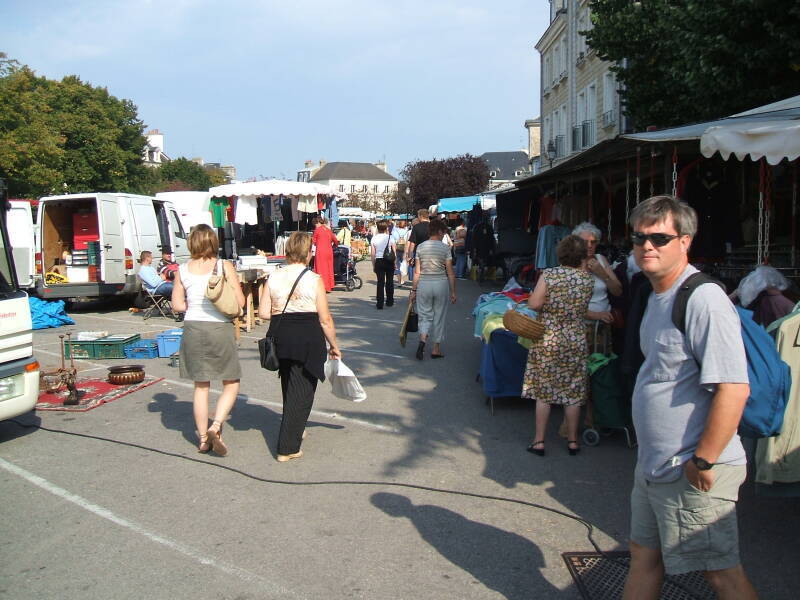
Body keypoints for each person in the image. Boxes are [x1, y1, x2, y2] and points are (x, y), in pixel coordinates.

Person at [622, 196, 757, 600]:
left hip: (691, 467)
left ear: (685, 241)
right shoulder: (653, 295)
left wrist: (704, 459)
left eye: (660, 237)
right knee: (643, 556)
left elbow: (734, 388)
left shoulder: (702, 299)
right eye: (639, 237)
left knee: (719, 573)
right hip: (655, 465)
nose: (647, 246)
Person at [258, 232, 341, 462]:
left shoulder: (274, 277)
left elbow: (264, 312)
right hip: (307, 337)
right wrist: (334, 345)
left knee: (289, 384)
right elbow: (325, 319)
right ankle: (288, 447)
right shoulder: (314, 279)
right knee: (303, 391)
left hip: (281, 335)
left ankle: (296, 427)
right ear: (308, 253)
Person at [171, 224, 245, 456]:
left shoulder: (182, 270)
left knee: (201, 387)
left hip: (193, 327)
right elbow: (240, 302)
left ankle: (203, 439)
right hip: (219, 327)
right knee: (231, 382)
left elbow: (177, 306)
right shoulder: (223, 266)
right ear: (214, 242)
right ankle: (216, 424)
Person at [522, 235, 594, 457]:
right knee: (572, 391)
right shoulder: (587, 280)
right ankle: (573, 441)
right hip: (575, 338)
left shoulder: (550, 275)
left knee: (544, 392)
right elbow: (582, 310)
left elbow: (534, 304)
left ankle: (539, 441)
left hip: (549, 338)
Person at [409, 219, 456, 360]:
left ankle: (422, 341)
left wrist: (414, 290)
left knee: (424, 315)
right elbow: (450, 272)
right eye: (444, 232)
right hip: (440, 284)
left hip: (424, 284)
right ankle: (436, 348)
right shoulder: (445, 248)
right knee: (439, 316)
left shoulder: (421, 247)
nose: (444, 235)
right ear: (440, 231)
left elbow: (417, 272)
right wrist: (453, 292)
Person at [370, 220, 396, 310]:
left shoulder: (374, 238)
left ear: (378, 228)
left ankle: (379, 303)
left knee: (380, 282)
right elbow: (394, 252)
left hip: (379, 260)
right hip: (389, 261)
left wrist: (373, 264)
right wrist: (395, 263)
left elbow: (373, 254)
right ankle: (389, 301)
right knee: (390, 281)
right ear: (386, 228)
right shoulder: (390, 237)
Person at [312, 216, 338, 292]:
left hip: (320, 252)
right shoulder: (328, 230)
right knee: (329, 268)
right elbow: (335, 240)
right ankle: (330, 286)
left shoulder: (317, 230)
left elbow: (313, 241)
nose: (315, 226)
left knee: (321, 269)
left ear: (317, 222)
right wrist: (334, 246)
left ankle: (323, 287)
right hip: (329, 252)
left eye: (315, 224)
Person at [407, 209, 431, 284]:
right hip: (432, 251)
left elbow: (412, 243)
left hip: (419, 252)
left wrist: (410, 256)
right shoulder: (433, 226)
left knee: (417, 271)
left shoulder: (416, 227)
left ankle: (417, 287)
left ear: (421, 216)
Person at [391, 219, 409, 285]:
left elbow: (392, 241)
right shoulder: (407, 231)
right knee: (404, 265)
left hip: (396, 248)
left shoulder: (394, 231)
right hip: (405, 249)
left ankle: (399, 281)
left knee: (397, 265)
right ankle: (402, 278)